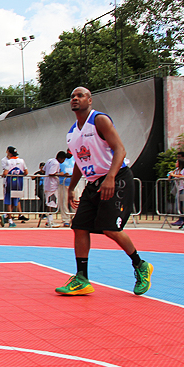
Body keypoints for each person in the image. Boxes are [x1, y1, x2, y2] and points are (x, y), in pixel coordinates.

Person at [55, 87, 153, 296]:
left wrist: (110, 177)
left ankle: (141, 264)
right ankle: (81, 278)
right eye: (72, 96)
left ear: (89, 100)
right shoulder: (72, 133)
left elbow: (120, 149)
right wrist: (72, 187)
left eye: (80, 95)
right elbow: (79, 163)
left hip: (116, 178)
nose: (75, 98)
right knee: (79, 227)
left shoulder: (99, 120)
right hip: (93, 183)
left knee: (110, 229)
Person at [1, 146, 27, 227]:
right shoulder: (22, 161)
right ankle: (7, 217)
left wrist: (4, 175)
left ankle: (8, 218)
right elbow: (26, 172)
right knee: (15, 201)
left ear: (10, 153)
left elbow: (5, 173)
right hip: (19, 184)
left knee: (9, 201)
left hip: (10, 183)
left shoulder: (9, 161)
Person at [43, 151, 66, 228]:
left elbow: (44, 170)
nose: (63, 162)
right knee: (51, 203)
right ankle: (50, 221)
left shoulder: (50, 160)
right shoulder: (56, 163)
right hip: (52, 185)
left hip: (47, 184)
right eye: (63, 160)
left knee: (49, 202)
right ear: (60, 158)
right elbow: (51, 173)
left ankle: (49, 220)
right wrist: (60, 174)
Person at [168, 158, 184, 227]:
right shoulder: (176, 170)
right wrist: (170, 174)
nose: (176, 164)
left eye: (177, 162)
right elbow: (170, 177)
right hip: (179, 190)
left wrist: (174, 175)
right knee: (179, 207)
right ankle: (183, 220)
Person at [57, 150, 75, 226]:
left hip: (74, 184)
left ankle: (75, 218)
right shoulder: (62, 160)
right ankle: (65, 220)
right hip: (63, 183)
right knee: (63, 202)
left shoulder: (75, 158)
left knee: (75, 201)